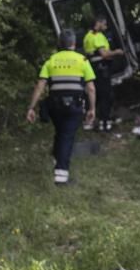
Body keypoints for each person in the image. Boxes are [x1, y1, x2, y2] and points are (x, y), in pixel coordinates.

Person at [26, 29, 96, 185]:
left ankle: (57, 158)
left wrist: (31, 107)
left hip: (55, 107)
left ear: (59, 43)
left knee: (61, 133)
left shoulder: (51, 60)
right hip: (75, 107)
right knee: (66, 136)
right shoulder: (82, 60)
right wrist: (92, 109)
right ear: (74, 43)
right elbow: (90, 88)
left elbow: (40, 86)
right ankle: (61, 176)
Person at [83, 16, 123, 132]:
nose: (106, 26)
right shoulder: (97, 36)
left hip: (93, 69)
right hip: (102, 69)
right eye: (104, 23)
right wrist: (117, 52)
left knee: (98, 96)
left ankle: (94, 121)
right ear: (98, 23)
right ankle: (105, 123)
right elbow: (104, 54)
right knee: (106, 95)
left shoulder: (87, 36)